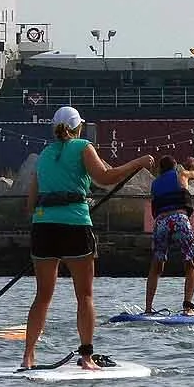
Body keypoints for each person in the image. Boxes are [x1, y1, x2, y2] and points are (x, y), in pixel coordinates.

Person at [21, 106, 151, 370]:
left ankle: (28, 356)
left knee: (42, 296)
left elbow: (30, 204)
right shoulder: (83, 146)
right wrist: (138, 162)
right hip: (75, 226)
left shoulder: (44, 155)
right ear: (78, 127)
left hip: (43, 228)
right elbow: (104, 178)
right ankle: (86, 356)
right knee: (85, 296)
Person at [144, 156, 194, 316]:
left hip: (161, 222)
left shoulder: (155, 183)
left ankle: (148, 308)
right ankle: (188, 307)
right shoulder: (182, 174)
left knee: (156, 265)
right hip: (179, 219)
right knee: (190, 263)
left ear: (160, 169)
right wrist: (192, 164)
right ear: (175, 167)